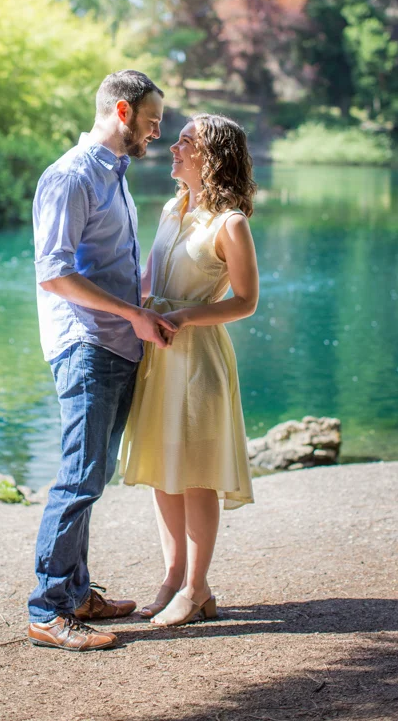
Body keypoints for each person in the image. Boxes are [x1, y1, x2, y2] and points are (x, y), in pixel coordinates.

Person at [27, 70, 177, 652]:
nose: (157, 133)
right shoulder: (69, 176)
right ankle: (47, 609)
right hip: (87, 345)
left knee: (93, 476)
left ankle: (78, 591)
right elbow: (54, 274)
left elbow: (110, 261)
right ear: (122, 111)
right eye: (151, 120)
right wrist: (133, 315)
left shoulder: (114, 176)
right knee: (79, 477)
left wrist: (149, 306)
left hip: (116, 343)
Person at [120, 113, 259, 626]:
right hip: (158, 354)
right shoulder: (170, 208)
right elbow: (148, 279)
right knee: (163, 469)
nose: (172, 147)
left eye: (185, 141)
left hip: (199, 359)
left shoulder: (231, 223)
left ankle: (198, 589)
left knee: (197, 476)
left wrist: (183, 315)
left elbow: (246, 302)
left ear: (211, 156)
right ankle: (172, 577)